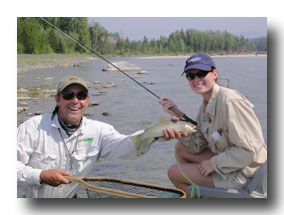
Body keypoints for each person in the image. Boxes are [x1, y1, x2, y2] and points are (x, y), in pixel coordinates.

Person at [17, 76, 181, 198]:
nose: (75, 101)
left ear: (87, 100)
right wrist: (40, 176)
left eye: (81, 95)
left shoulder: (98, 131)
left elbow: (127, 147)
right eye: (68, 95)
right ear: (57, 100)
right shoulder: (33, 127)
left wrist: (155, 134)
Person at [159, 53, 267, 192]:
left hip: (247, 173)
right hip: (233, 162)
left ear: (214, 74)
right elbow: (196, 146)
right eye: (191, 76)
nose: (196, 79)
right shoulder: (206, 104)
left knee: (174, 172)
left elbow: (249, 151)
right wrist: (178, 118)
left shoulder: (230, 100)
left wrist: (213, 164)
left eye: (201, 73)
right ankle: (202, 190)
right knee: (180, 148)